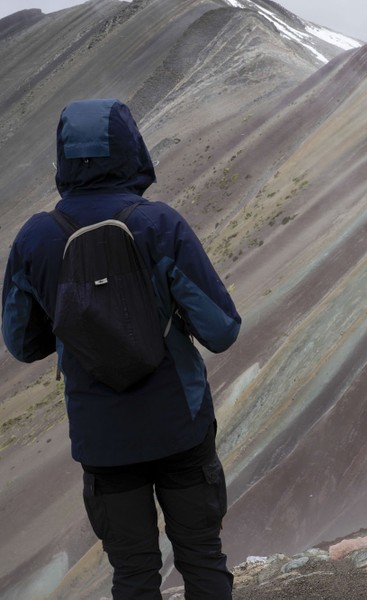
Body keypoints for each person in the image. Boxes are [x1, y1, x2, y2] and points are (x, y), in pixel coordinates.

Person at [2, 99, 241, 599]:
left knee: (132, 574)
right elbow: (220, 329)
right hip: (180, 423)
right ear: (132, 148)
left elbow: (23, 343)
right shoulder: (159, 225)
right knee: (201, 557)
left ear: (63, 159)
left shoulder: (35, 239)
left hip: (103, 436)